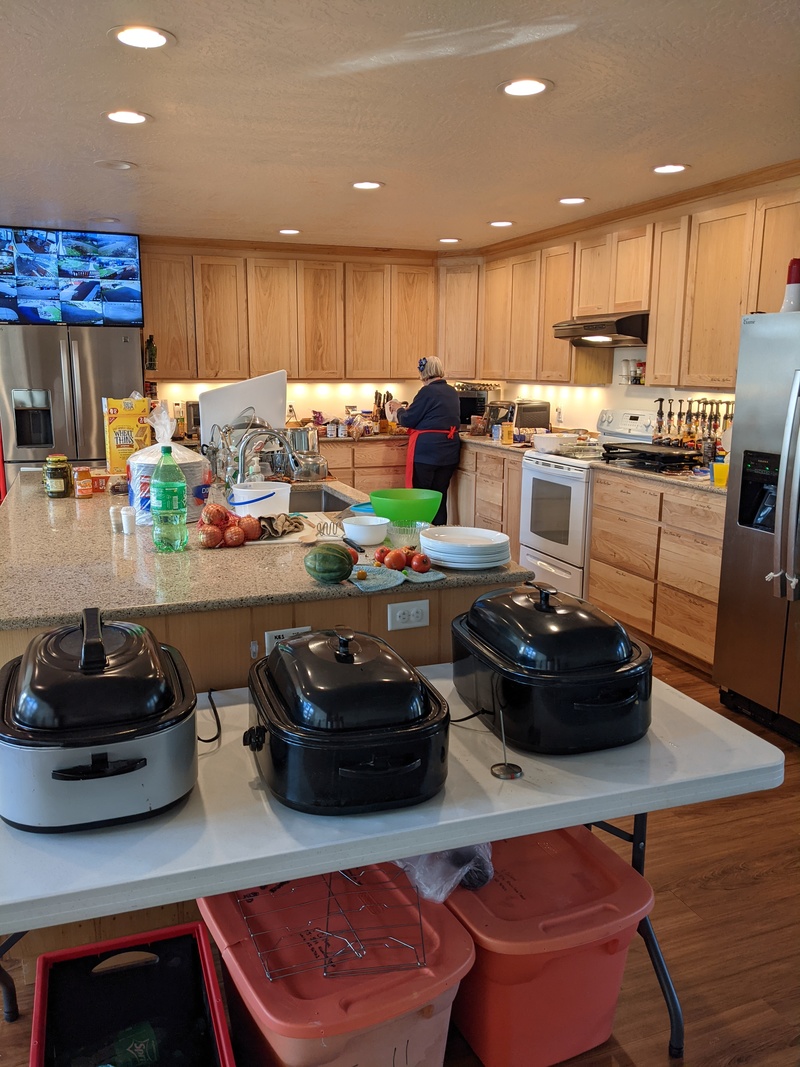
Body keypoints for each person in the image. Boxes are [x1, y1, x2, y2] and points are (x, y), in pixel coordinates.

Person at [391, 356, 461, 525]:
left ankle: (420, 537)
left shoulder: (427, 391)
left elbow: (408, 419)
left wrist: (398, 409)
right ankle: (438, 535)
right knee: (439, 496)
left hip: (426, 453)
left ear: (424, 372)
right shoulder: (452, 391)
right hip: (449, 452)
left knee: (421, 497)